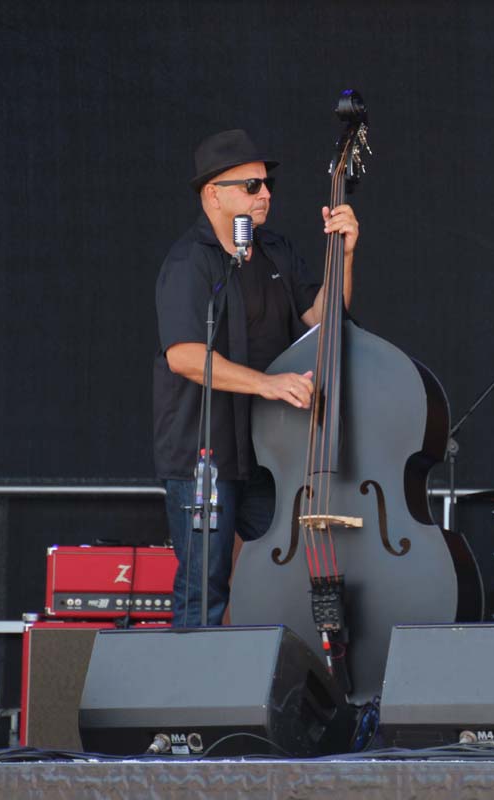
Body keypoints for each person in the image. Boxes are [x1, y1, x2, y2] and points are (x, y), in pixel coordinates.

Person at [153, 129, 359, 627]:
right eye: (251, 186)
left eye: (267, 184)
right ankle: (196, 679)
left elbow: (324, 319)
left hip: (270, 453)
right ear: (213, 195)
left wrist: (345, 255)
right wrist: (267, 384)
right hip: (204, 456)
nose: (265, 194)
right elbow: (183, 356)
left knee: (296, 573)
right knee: (204, 588)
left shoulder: (275, 251)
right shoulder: (189, 262)